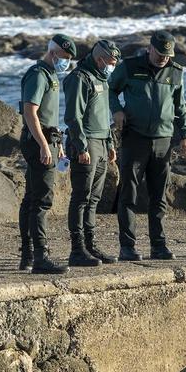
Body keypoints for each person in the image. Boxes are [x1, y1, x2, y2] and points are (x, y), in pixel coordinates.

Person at [108, 29, 186, 261]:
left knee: (159, 196)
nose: (164, 58)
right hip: (135, 138)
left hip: (163, 141)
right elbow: (110, 89)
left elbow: (180, 106)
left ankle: (159, 246)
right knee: (129, 194)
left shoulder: (175, 72)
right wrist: (117, 110)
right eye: (160, 54)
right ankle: (127, 246)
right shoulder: (130, 67)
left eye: (168, 55)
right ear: (150, 48)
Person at [18, 33, 77, 274]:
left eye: (70, 59)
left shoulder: (51, 75)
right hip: (38, 140)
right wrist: (43, 145)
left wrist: (57, 144)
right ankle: (40, 256)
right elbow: (29, 112)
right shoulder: (38, 74)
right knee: (41, 200)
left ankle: (28, 255)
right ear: (53, 53)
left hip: (49, 138)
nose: (67, 62)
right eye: (64, 57)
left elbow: (48, 115)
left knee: (32, 197)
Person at [64, 39, 122, 267]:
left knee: (94, 198)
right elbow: (73, 117)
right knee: (81, 197)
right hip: (85, 143)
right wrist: (81, 146)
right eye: (111, 62)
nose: (113, 67)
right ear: (100, 59)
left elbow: (103, 116)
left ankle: (90, 244)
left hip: (100, 142)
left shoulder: (102, 78)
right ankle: (77, 249)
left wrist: (110, 144)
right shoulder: (79, 78)